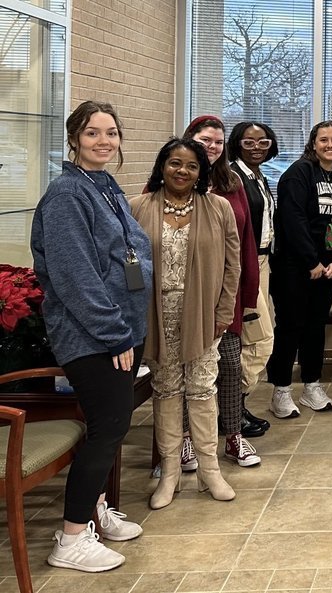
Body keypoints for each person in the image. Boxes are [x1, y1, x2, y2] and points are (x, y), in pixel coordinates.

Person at [32, 101, 151, 572]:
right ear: (73, 138)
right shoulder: (66, 194)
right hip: (94, 335)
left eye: (111, 133)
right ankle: (71, 538)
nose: (104, 141)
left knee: (112, 427)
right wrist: (114, 334)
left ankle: (95, 509)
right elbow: (75, 276)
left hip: (121, 329)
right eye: (92, 133)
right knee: (106, 430)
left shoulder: (102, 185)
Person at [130, 137, 240, 509]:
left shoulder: (218, 207)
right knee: (166, 391)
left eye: (192, 166)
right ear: (162, 166)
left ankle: (210, 471)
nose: (182, 171)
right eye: (175, 163)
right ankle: (170, 473)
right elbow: (127, 263)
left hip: (204, 315)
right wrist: (134, 310)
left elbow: (232, 267)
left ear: (201, 172)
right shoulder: (138, 207)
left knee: (202, 389)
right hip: (156, 314)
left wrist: (224, 312)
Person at [267, 120, 332, 418]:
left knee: (315, 327)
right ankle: (281, 390)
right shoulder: (299, 173)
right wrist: (312, 262)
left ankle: (311, 385)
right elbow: (292, 220)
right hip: (295, 266)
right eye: (324, 140)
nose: (330, 145)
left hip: (329, 269)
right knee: (290, 327)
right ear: (313, 143)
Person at [183, 115, 262, 469]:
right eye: (205, 140)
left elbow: (246, 240)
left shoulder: (231, 183)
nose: (212, 147)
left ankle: (233, 436)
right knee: (186, 366)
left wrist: (248, 291)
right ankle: (185, 439)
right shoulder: (176, 177)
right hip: (184, 290)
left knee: (229, 365)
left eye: (217, 141)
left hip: (226, 290)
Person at [227, 120, 279, 437]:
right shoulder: (232, 178)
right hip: (246, 265)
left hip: (263, 261)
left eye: (263, 142)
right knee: (259, 339)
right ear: (237, 144)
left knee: (254, 338)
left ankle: (236, 407)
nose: (257, 148)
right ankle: (231, 408)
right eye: (249, 142)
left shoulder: (258, 176)